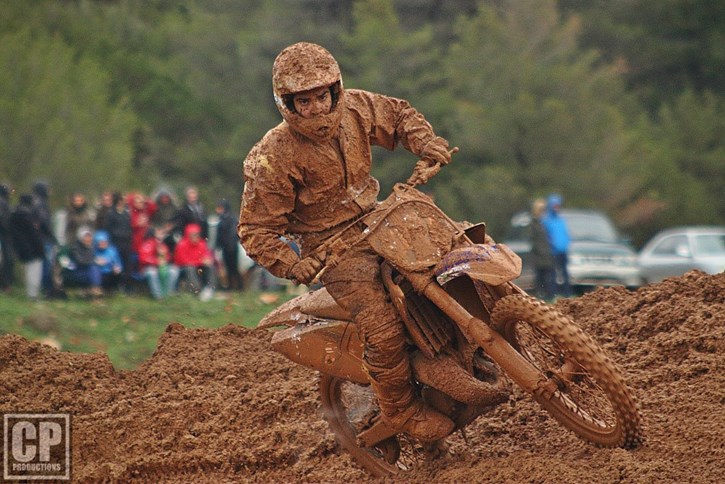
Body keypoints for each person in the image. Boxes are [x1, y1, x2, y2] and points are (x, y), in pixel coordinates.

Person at [238, 42, 454, 441]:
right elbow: (255, 229)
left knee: (454, 247)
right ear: (287, 103)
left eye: (322, 95)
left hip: (378, 217)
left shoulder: (356, 108)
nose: (317, 108)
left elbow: (399, 114)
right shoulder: (272, 155)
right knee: (383, 327)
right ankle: (401, 410)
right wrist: (290, 263)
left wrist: (424, 142)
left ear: (335, 90)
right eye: (305, 101)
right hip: (332, 249)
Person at [10, 194, 45, 300]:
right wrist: (40, 248)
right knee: (34, 271)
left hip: (20, 246)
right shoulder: (27, 215)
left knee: (28, 270)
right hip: (32, 248)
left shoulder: (14, 214)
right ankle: (33, 295)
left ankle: (31, 293)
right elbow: (33, 234)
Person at [173, 223, 216, 301]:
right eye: (193, 235)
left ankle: (210, 288)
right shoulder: (181, 245)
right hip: (183, 267)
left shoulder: (202, 243)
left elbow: (207, 255)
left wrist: (208, 260)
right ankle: (197, 290)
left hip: (198, 265)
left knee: (210, 266)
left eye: (197, 235)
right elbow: (183, 261)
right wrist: (200, 261)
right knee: (190, 268)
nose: (195, 237)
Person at [138, 227, 180, 300]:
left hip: (161, 267)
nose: (161, 235)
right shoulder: (148, 243)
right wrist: (156, 262)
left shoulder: (162, 245)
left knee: (174, 270)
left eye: (163, 233)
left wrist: (165, 260)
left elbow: (167, 257)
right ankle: (158, 296)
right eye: (159, 233)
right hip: (147, 268)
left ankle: (168, 293)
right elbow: (143, 259)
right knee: (152, 272)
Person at [542, 193, 572, 297]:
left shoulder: (561, 220)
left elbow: (565, 234)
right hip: (552, 251)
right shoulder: (546, 221)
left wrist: (567, 243)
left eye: (557, 206)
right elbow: (546, 236)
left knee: (565, 274)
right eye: (554, 205)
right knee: (552, 274)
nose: (556, 208)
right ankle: (552, 294)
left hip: (563, 250)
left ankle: (567, 293)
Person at [104, 192, 134, 291]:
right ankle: (116, 286)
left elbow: (129, 226)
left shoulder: (126, 212)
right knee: (117, 264)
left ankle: (127, 286)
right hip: (116, 242)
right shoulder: (110, 213)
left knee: (127, 265)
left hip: (126, 242)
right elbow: (109, 228)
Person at [63, 227, 103, 297]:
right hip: (76, 271)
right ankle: (96, 289)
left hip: (89, 271)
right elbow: (79, 261)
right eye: (86, 237)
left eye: (89, 237)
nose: (88, 239)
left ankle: (94, 289)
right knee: (94, 268)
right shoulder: (75, 247)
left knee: (95, 269)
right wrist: (94, 261)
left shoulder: (93, 246)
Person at [529, 198, 555, 301]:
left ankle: (549, 295)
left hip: (547, 255)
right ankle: (540, 294)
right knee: (539, 277)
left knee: (548, 277)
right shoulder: (534, 224)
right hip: (539, 256)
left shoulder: (546, 223)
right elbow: (533, 240)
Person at [214, 199, 242, 290]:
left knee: (233, 267)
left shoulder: (231, 218)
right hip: (226, 247)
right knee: (228, 267)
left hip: (231, 247)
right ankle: (231, 285)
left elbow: (233, 233)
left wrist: (229, 244)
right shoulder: (223, 218)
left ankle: (238, 286)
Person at [0, 183, 15, 291]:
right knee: (6, 260)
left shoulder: (4, 203)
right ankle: (5, 285)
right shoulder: (3, 203)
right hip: (4, 236)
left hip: (4, 236)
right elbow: (4, 221)